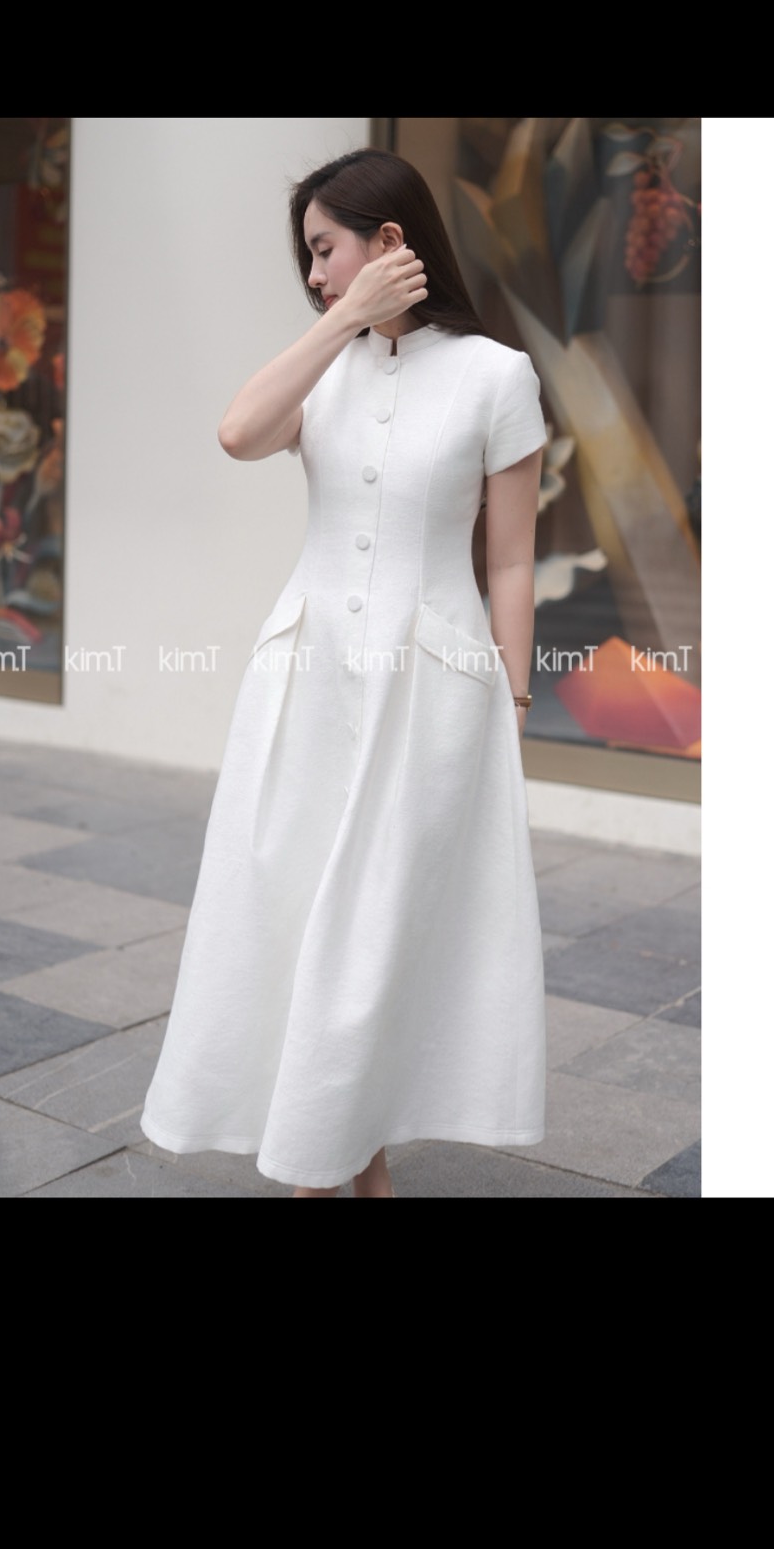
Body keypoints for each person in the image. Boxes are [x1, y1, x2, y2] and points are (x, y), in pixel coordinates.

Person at [140, 147, 548, 1198]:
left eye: (326, 251)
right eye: (309, 259)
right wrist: (340, 322)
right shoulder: (323, 366)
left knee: (378, 935)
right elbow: (238, 434)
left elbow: (508, 559)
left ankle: (327, 1172)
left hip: (431, 696)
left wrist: (512, 697)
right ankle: (353, 1174)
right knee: (294, 915)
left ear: (391, 239)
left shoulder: (497, 376)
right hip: (304, 687)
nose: (315, 275)